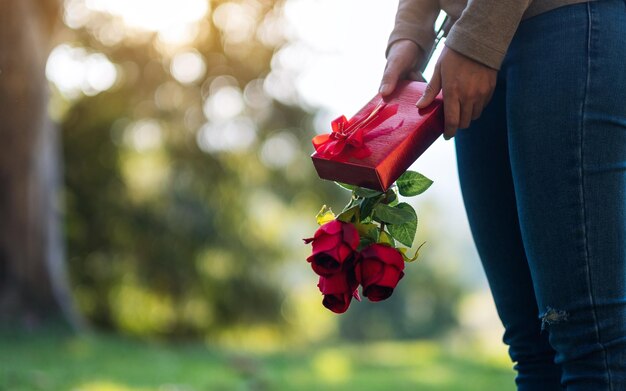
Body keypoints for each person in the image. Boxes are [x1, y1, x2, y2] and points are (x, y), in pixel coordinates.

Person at [380, 0, 626, 390]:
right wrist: (411, 32)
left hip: (561, 21)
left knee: (589, 345)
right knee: (531, 349)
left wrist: (478, 36)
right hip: (469, 47)